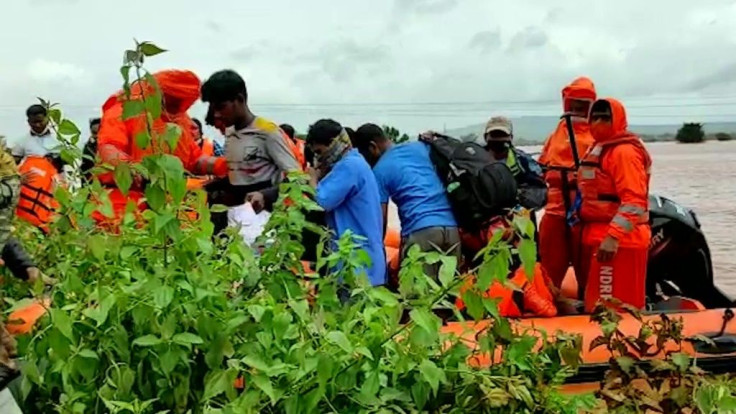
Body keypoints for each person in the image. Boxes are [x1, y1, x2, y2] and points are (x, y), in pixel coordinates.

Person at [96, 69, 228, 220]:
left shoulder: (179, 122)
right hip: (122, 208)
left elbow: (195, 160)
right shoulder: (124, 110)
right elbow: (108, 147)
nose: (176, 106)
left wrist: (224, 165)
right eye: (172, 99)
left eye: (181, 102)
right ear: (156, 93)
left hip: (168, 211)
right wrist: (131, 168)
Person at [352, 123, 460, 281]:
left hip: (421, 233)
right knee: (447, 297)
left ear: (372, 147)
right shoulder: (421, 147)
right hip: (452, 230)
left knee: (417, 299)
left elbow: (380, 222)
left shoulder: (379, 171)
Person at [577, 98, 651, 312]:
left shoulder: (623, 152)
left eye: (606, 118)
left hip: (621, 242)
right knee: (599, 308)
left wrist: (613, 237)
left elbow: (634, 202)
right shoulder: (602, 149)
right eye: (595, 117)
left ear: (618, 120)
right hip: (602, 235)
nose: (599, 122)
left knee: (612, 312)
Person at [200, 70, 301, 214]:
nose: (216, 114)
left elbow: (298, 179)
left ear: (240, 99)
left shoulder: (267, 132)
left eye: (221, 107)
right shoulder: (230, 133)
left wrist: (265, 195)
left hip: (264, 218)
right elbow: (241, 178)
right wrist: (209, 187)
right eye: (213, 108)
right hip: (236, 216)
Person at [306, 119, 385, 287]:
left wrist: (312, 179)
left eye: (319, 152)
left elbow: (322, 201)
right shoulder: (355, 163)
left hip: (356, 263)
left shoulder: (348, 166)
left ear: (332, 144)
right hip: (362, 260)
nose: (318, 158)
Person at [538, 77, 597, 289]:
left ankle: (589, 306)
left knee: (588, 271)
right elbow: (541, 170)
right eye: (575, 103)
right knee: (548, 271)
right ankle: (546, 304)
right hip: (556, 211)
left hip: (583, 212)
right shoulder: (555, 136)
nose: (578, 109)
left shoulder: (599, 136)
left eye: (582, 104)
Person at [483, 116, 547, 210]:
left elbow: (540, 191)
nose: (499, 139)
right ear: (485, 137)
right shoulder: (473, 160)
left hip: (517, 216)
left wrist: (518, 196)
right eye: (494, 135)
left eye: (502, 135)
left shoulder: (522, 160)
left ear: (511, 137)